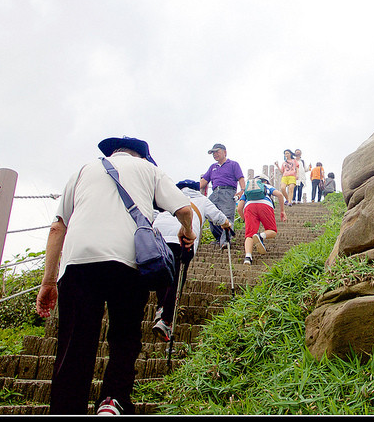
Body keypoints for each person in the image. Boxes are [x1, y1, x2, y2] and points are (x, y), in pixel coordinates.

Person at [35, 136, 196, 415]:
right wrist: (187, 230)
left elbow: (57, 228)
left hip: (78, 264)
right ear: (142, 156)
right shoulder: (150, 170)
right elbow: (183, 209)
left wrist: (48, 281)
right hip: (129, 262)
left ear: (112, 153)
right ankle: (113, 399)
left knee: (74, 343)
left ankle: (66, 408)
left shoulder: (83, 170)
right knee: (125, 335)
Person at [150, 182, 231, 342]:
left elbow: (153, 213)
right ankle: (166, 320)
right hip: (182, 235)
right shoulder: (201, 199)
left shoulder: (172, 196)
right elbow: (217, 216)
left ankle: (161, 307)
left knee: (162, 271)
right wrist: (227, 225)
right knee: (177, 276)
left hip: (158, 232)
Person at [199, 143, 245, 249]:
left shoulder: (233, 164)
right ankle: (219, 238)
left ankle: (226, 241)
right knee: (209, 214)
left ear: (224, 152)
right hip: (215, 193)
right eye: (213, 153)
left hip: (228, 191)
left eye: (217, 152)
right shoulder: (212, 167)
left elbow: (241, 178)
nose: (215, 154)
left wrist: (242, 190)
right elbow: (204, 180)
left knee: (228, 216)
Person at [236, 176, 286, 265]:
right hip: (265, 206)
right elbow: (280, 195)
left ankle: (248, 257)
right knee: (272, 231)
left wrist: (245, 219)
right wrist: (282, 211)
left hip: (249, 207)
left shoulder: (247, 190)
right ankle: (260, 236)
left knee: (249, 235)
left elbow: (239, 208)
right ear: (265, 181)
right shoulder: (266, 186)